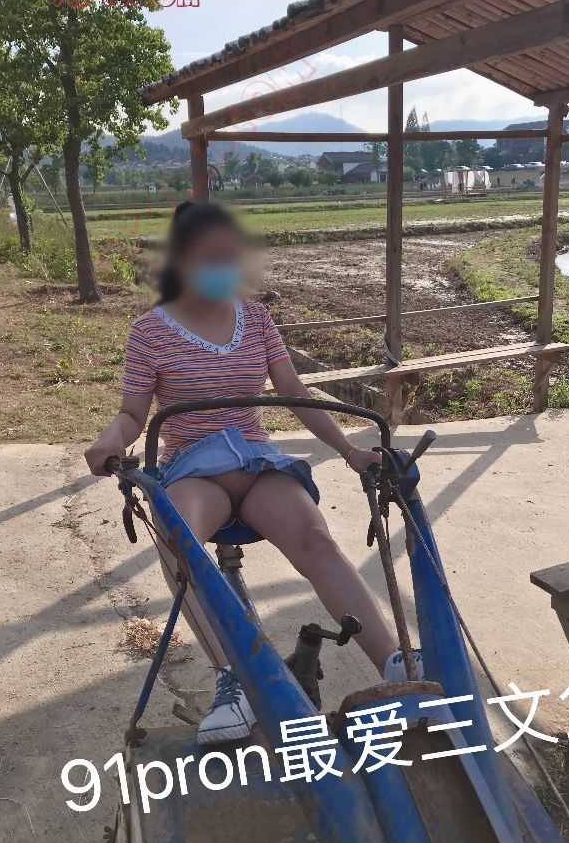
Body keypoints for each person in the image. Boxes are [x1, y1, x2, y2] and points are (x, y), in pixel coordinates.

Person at [85, 202, 422, 744]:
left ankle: (395, 663)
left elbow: (293, 392)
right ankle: (234, 679)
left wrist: (350, 451)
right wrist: (109, 443)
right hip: (194, 467)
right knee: (179, 548)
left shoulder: (257, 318)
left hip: (256, 460)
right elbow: (132, 414)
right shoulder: (149, 332)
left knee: (316, 539)